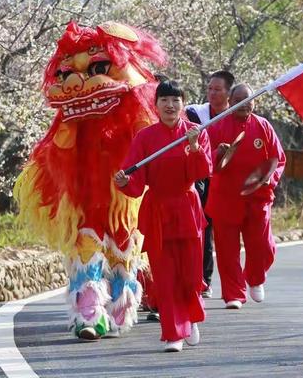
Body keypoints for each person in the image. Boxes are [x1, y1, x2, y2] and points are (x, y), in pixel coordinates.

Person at [114, 80, 212, 352]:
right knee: (165, 275)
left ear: (183, 103)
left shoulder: (195, 133)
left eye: (175, 100)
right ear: (155, 105)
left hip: (188, 207)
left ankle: (191, 317)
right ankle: (173, 333)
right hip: (158, 209)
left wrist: (194, 148)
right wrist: (122, 181)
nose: (170, 106)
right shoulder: (145, 138)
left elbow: (202, 173)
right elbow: (134, 179)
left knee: (191, 274)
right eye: (164, 101)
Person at [205, 84, 285, 309]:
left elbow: (278, 160)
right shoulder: (217, 126)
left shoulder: (263, 126)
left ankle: (255, 277)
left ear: (254, 102)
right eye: (238, 99)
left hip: (257, 196)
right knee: (226, 249)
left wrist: (269, 178)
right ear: (230, 101)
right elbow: (204, 162)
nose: (244, 103)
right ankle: (233, 294)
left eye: (248, 99)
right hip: (226, 198)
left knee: (262, 245)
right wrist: (217, 154)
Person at [185, 70, 235, 298]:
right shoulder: (195, 114)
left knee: (220, 232)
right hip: (202, 180)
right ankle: (202, 279)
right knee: (201, 227)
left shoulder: (237, 115)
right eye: (210, 89)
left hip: (227, 181)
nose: (212, 93)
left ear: (229, 93)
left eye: (217, 90)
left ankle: (228, 283)